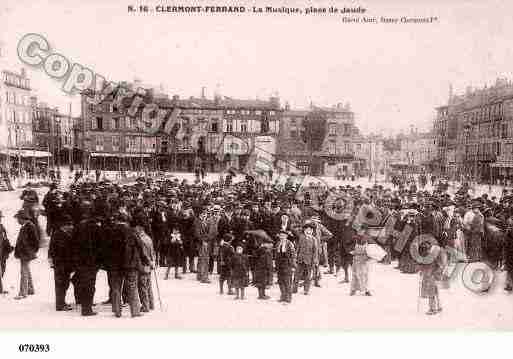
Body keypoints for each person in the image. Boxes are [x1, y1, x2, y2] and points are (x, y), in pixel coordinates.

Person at [48, 214, 75, 311]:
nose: (71, 227)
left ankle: (62, 302)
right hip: (60, 264)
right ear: (64, 225)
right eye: (70, 225)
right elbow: (52, 250)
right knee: (61, 284)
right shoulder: (59, 235)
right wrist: (52, 262)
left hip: (64, 265)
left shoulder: (63, 234)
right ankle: (60, 305)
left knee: (64, 284)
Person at [13, 210, 39, 300]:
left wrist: (31, 250)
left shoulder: (30, 226)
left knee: (23, 272)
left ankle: (22, 292)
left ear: (22, 218)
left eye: (18, 219)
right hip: (24, 252)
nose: (17, 221)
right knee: (26, 270)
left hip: (26, 253)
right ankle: (30, 289)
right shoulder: (26, 226)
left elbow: (36, 241)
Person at [293, 222, 317, 295]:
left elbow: (315, 251)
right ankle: (294, 289)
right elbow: (298, 248)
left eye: (310, 230)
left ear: (312, 231)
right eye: (307, 229)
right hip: (300, 260)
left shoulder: (314, 239)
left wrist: (314, 261)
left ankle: (306, 290)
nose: (308, 231)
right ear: (304, 230)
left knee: (308, 276)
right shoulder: (301, 237)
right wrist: (295, 257)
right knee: (297, 275)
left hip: (309, 261)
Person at [350, 223, 372, 296]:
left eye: (363, 230)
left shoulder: (367, 238)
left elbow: (371, 248)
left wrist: (370, 255)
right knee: (355, 274)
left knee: (365, 275)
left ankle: (366, 290)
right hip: (356, 258)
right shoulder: (355, 238)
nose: (362, 231)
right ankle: (353, 289)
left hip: (364, 259)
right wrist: (351, 251)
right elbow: (349, 246)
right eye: (361, 230)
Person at [275, 230, 296, 304]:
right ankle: (283, 296)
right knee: (281, 282)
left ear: (286, 236)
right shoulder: (278, 244)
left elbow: (293, 255)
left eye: (283, 235)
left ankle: (288, 298)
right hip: (280, 265)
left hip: (287, 265)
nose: (282, 237)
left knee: (287, 282)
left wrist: (293, 265)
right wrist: (276, 265)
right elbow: (276, 255)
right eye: (281, 236)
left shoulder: (290, 244)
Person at [0, 210, 13, 294]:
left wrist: (9, 247)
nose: (0, 219)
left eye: (0, 217)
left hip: (2, 253)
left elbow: (5, 239)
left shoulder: (2, 227)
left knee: (2, 269)